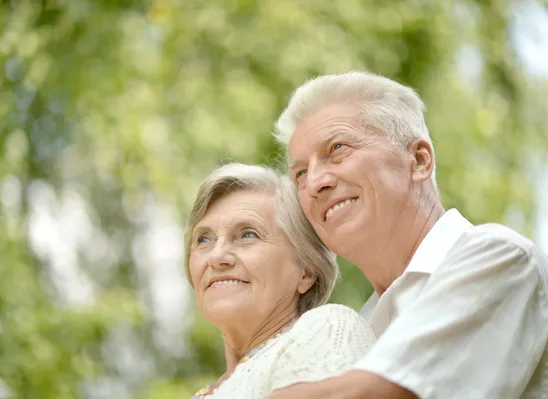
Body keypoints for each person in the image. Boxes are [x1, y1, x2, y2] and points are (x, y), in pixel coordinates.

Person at [267, 71, 548, 399]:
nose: (314, 183)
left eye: (338, 148)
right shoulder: (357, 328)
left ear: (418, 161)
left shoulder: (500, 258)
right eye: (300, 173)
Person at [185, 163, 376, 398]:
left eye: (247, 234)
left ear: (306, 270)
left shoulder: (327, 328)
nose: (217, 257)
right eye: (204, 239)